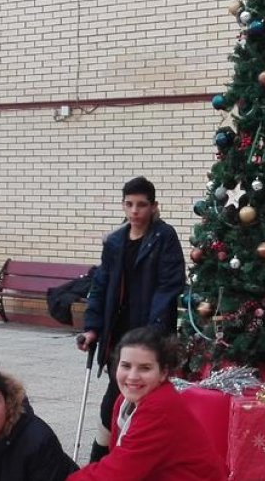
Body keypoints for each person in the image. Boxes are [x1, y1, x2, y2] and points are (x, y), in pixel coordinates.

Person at [76, 177, 186, 463]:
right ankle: (103, 457)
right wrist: (91, 328)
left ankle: (120, 456)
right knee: (117, 393)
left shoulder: (164, 237)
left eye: (141, 205)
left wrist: (154, 332)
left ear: (153, 206)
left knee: (143, 396)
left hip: (150, 331)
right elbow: (100, 286)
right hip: (117, 332)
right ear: (123, 205)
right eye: (129, 204)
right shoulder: (115, 242)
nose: (135, 210)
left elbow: (169, 285)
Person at [67, 326, 227, 480]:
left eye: (145, 368)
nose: (132, 376)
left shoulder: (160, 407)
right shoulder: (124, 401)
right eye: (126, 366)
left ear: (163, 373)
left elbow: (119, 473)